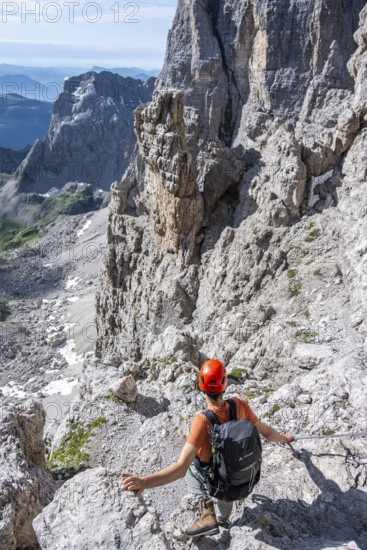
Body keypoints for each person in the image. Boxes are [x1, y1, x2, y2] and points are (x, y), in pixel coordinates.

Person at [122, 358, 294, 538]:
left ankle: (207, 515)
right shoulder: (240, 405)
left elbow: (180, 469)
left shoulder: (203, 421)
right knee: (225, 475)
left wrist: (144, 482)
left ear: (201, 385)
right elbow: (267, 433)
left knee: (190, 470)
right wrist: (285, 438)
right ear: (225, 383)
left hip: (217, 481)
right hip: (240, 481)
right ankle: (222, 520)